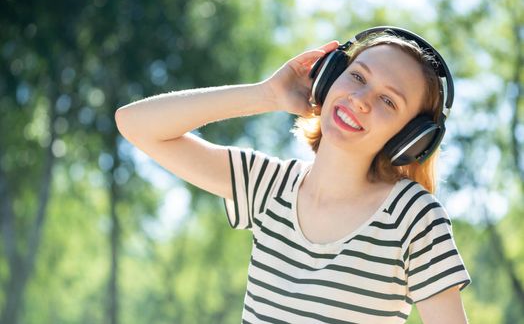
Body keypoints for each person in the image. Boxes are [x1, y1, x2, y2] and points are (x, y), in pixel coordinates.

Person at [115, 27, 471, 323]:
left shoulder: (415, 217)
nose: (361, 99)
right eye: (358, 76)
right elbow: (136, 125)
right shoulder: (267, 185)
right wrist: (266, 94)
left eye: (388, 101)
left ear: (411, 139)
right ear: (329, 77)